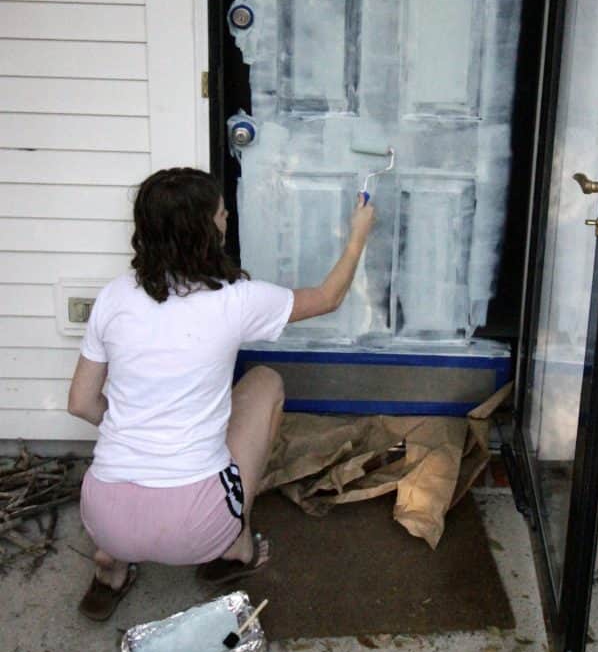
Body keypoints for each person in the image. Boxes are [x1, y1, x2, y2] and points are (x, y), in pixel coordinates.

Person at [68, 167, 375, 620]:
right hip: (194, 526)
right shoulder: (235, 299)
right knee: (266, 382)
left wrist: (136, 428)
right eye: (221, 212)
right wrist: (358, 235)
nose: (227, 216)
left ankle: (110, 565)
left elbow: (81, 403)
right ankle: (234, 546)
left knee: (125, 492)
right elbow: (328, 298)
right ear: (208, 229)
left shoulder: (113, 298)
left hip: (103, 516)